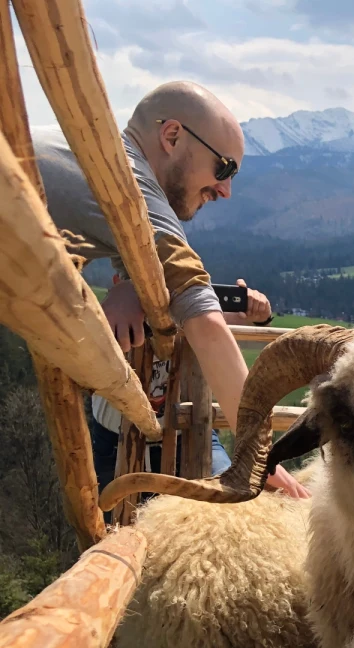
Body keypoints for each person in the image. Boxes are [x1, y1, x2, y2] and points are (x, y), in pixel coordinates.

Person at [33, 81, 307, 500]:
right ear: (173, 136)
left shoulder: (93, 156)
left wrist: (133, 291)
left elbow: (137, 264)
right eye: (224, 168)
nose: (226, 190)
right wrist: (263, 461)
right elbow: (206, 325)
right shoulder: (132, 192)